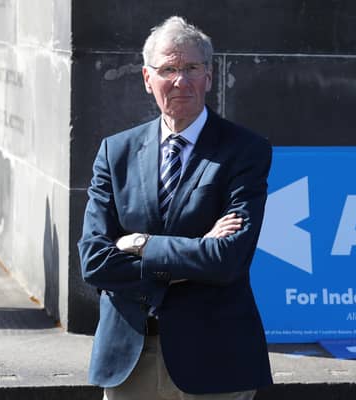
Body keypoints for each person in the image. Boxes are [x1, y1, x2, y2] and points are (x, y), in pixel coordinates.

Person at [77, 15, 273, 400]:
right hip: (129, 360)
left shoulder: (244, 152)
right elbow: (94, 261)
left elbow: (226, 259)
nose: (180, 80)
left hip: (215, 359)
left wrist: (140, 244)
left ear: (209, 76)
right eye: (168, 69)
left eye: (191, 68)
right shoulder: (115, 152)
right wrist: (193, 253)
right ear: (148, 80)